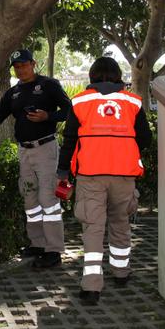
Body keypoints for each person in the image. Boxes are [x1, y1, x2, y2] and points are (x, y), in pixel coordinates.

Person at [0, 49, 72, 269]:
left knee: (48, 200)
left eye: (24, 65)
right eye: (16, 66)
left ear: (33, 63)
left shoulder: (49, 85)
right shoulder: (13, 93)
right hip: (24, 151)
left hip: (45, 148)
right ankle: (38, 244)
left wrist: (48, 116)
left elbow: (70, 111)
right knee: (30, 199)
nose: (20, 69)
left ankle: (54, 250)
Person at [57, 57, 152, 306]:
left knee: (93, 228)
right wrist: (123, 150)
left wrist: (62, 172)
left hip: (91, 175)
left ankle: (91, 287)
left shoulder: (79, 102)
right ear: (118, 76)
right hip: (124, 175)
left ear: (92, 76)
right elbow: (145, 138)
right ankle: (121, 273)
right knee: (121, 221)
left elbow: (69, 141)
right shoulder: (133, 101)